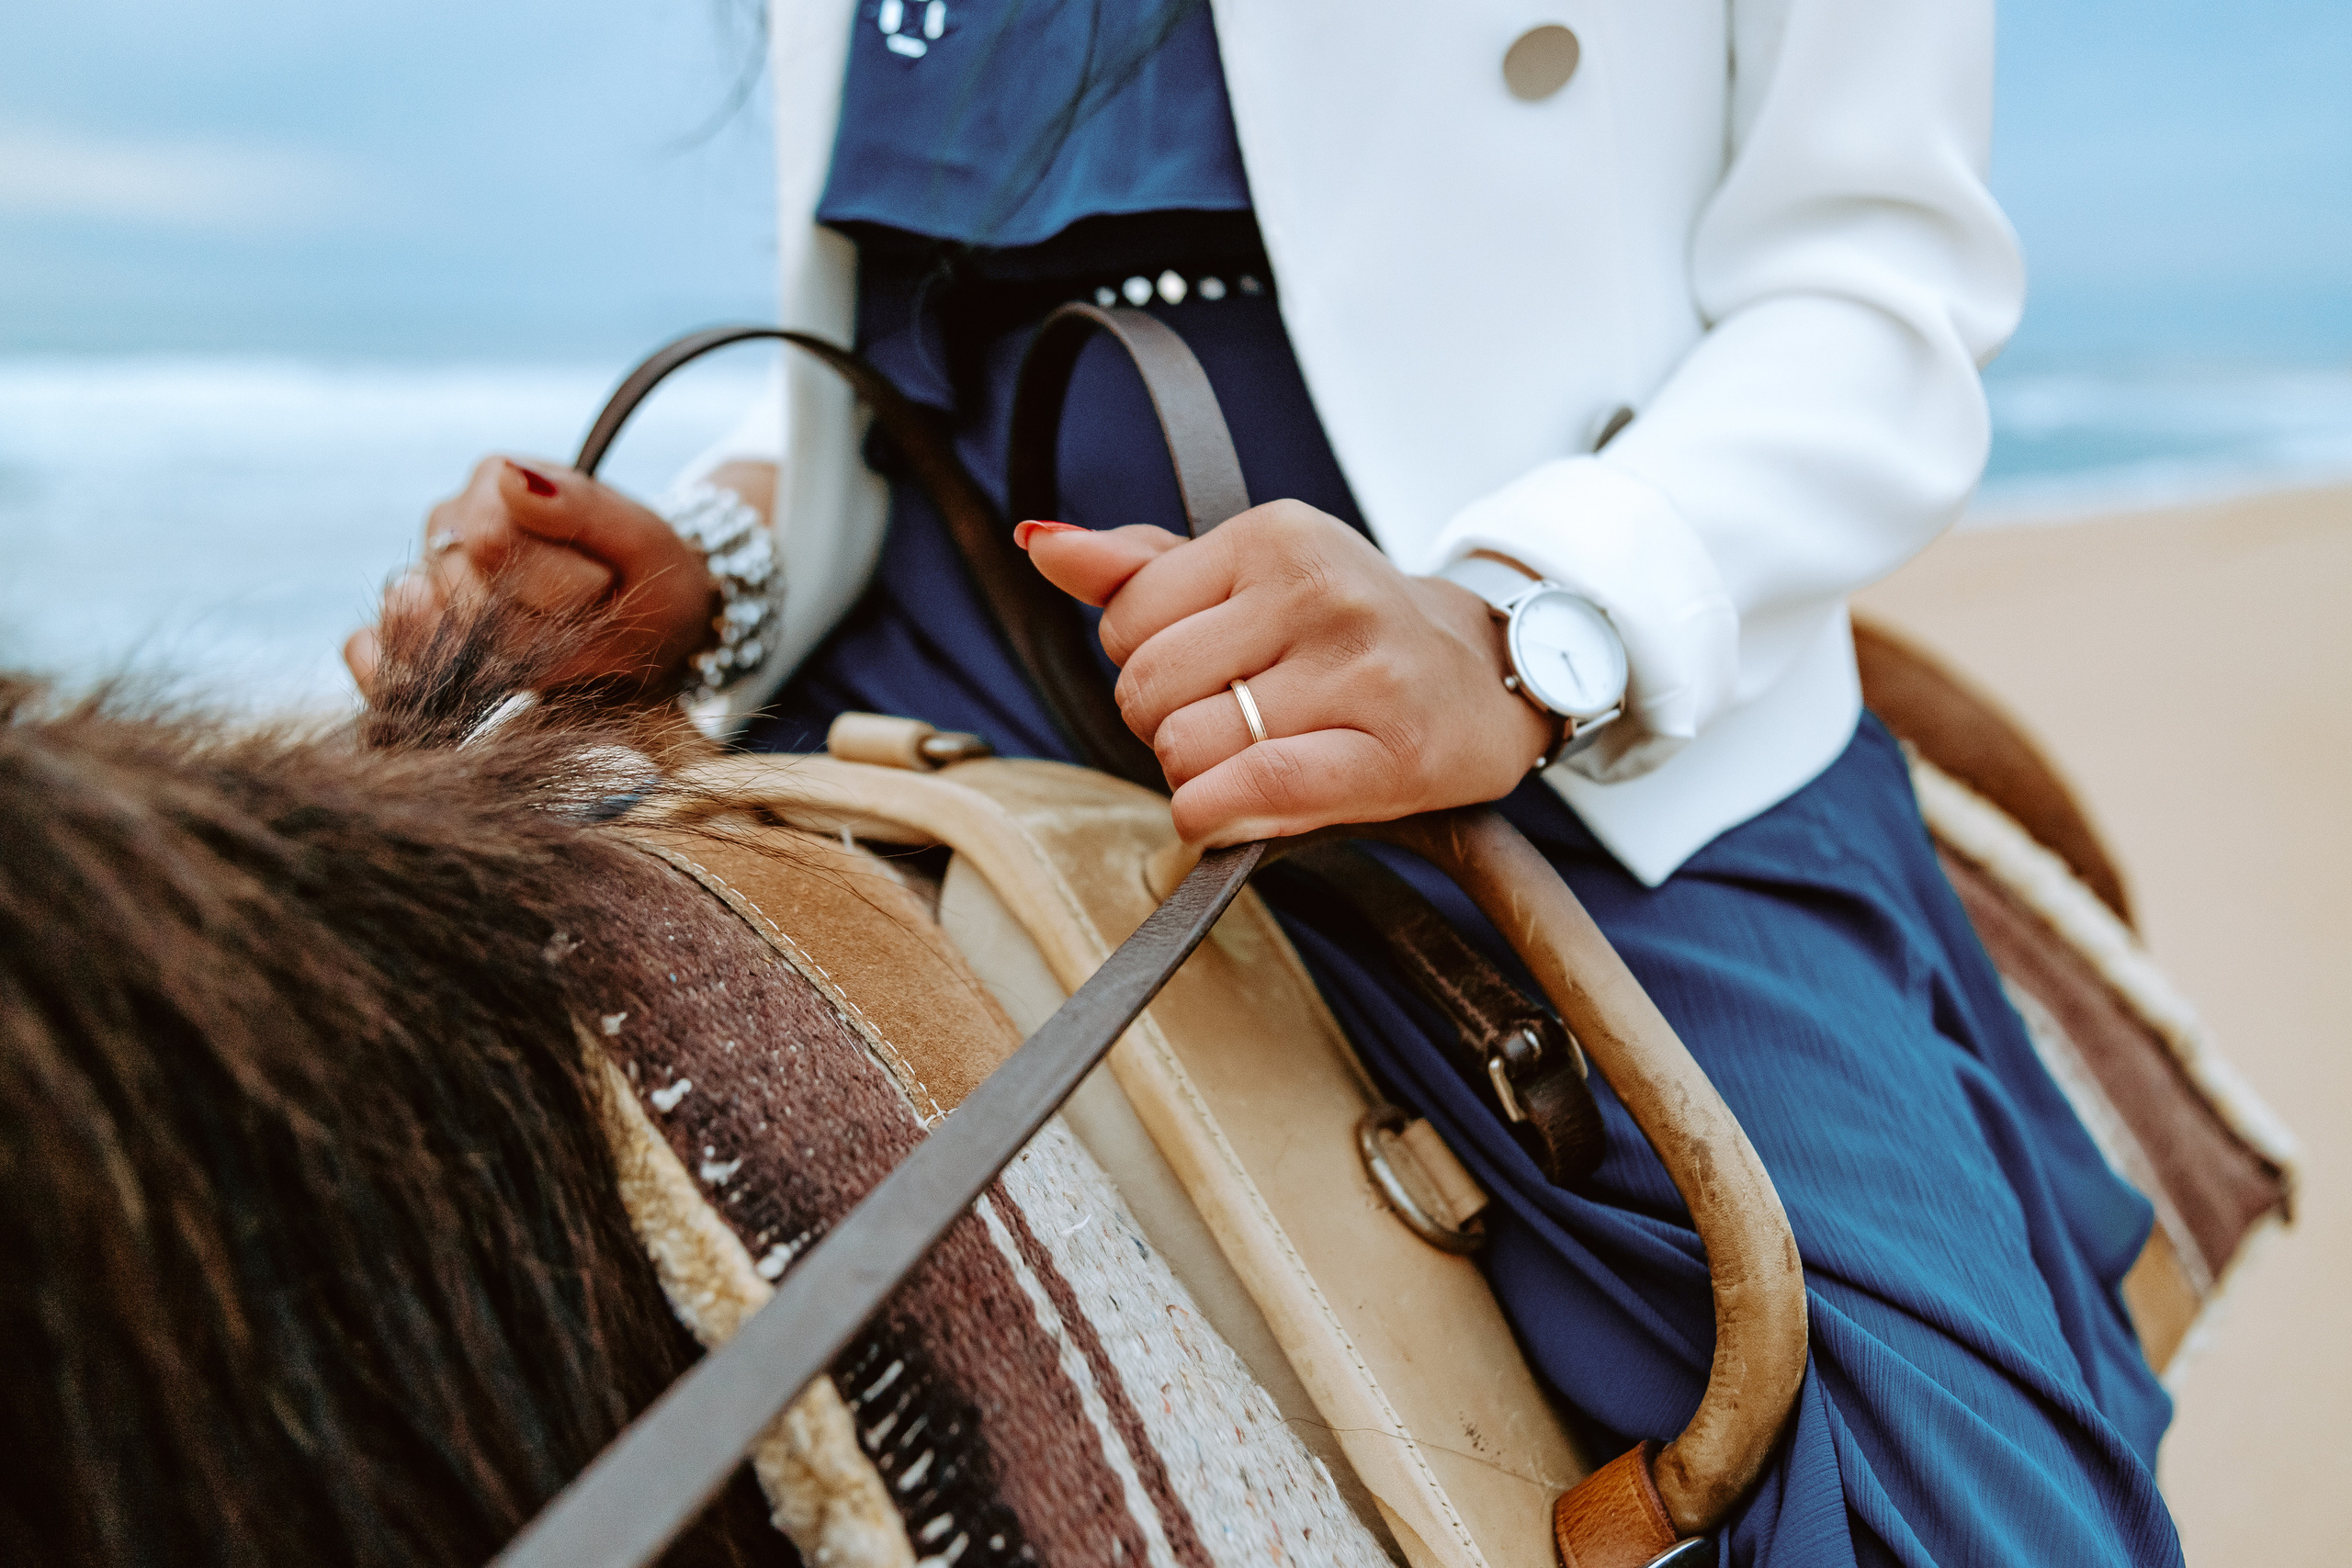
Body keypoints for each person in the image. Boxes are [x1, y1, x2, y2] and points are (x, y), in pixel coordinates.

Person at [347, 3, 2185, 1561]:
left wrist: (1523, 621)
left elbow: (1873, 286)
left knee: (1952, 1486)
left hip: (1490, 683)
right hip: (941, 623)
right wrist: (719, 566)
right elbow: (913, 325)